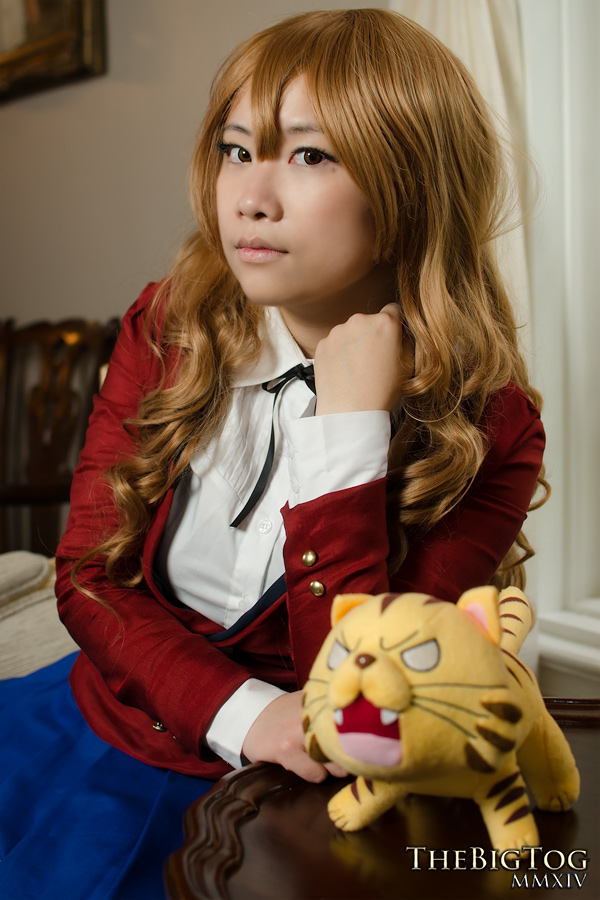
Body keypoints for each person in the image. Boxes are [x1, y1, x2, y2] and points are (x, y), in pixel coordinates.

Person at [0, 8, 547, 899]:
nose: (249, 196)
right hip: (97, 722)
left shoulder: (493, 427)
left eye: (309, 155)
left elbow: (365, 698)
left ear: (410, 188)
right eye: (235, 149)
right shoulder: (169, 325)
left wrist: (349, 437)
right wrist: (245, 713)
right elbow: (88, 577)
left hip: (296, 799)